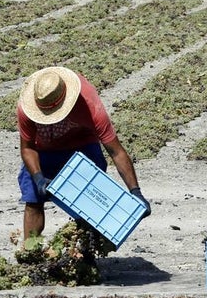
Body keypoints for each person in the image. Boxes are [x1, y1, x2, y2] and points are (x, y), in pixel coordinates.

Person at [16, 65, 149, 243]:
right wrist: (39, 178)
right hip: (43, 149)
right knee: (33, 200)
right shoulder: (26, 108)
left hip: (82, 145)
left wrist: (135, 192)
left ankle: (86, 249)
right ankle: (30, 250)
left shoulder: (88, 104)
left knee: (89, 201)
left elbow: (115, 151)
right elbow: (27, 148)